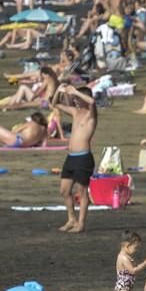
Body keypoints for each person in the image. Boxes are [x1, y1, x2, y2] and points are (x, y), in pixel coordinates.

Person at [51, 84, 97, 234]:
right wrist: (59, 90)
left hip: (83, 158)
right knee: (64, 190)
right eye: (74, 99)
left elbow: (92, 102)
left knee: (82, 192)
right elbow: (54, 104)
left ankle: (81, 223)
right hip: (71, 158)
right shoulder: (75, 113)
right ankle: (71, 219)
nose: (75, 101)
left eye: (77, 99)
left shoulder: (91, 114)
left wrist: (76, 91)